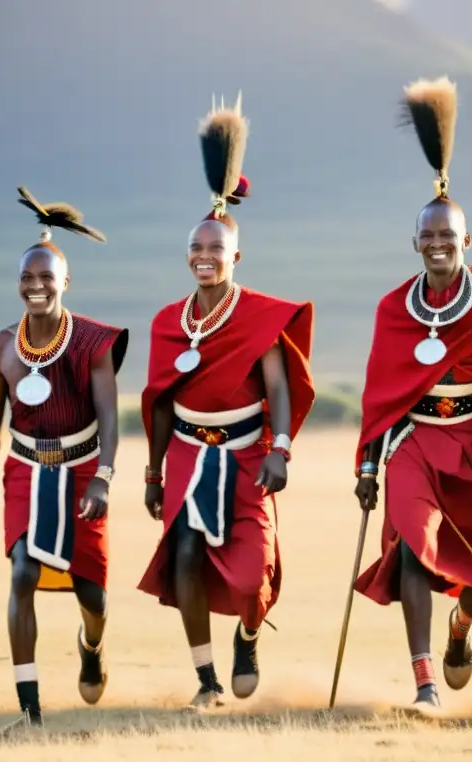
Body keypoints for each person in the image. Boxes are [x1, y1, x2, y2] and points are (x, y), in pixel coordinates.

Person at [351, 77, 472, 712]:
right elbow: (382, 395)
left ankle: (461, 631)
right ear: (415, 243)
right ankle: (424, 684)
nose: (438, 245)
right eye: (427, 237)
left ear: (468, 241)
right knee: (411, 541)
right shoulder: (392, 308)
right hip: (413, 441)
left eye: (448, 236)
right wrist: (369, 465)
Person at [137, 93, 316, 712]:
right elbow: (160, 401)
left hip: (245, 454)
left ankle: (246, 635)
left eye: (216, 250)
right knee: (183, 550)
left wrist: (282, 449)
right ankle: (207, 680)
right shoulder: (167, 321)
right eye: (196, 249)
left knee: (251, 575)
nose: (205, 258)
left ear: (235, 255)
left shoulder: (259, 317)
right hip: (189, 453)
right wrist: (154, 471)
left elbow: (279, 387)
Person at [0, 186, 127, 728]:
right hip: (25, 470)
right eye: (27, 279)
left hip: (80, 468)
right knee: (22, 572)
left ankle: (92, 647)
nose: (36, 287)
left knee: (93, 594)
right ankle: (29, 707)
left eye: (46, 278)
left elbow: (109, 417)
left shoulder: (94, 344)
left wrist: (102, 478)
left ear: (65, 282)